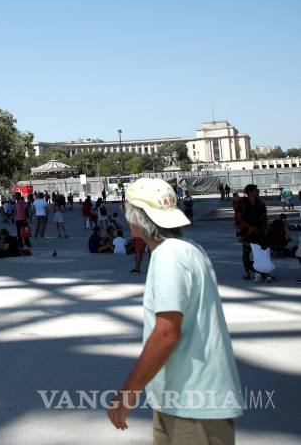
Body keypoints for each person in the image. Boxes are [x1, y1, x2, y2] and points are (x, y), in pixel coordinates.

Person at [107, 178, 242, 442]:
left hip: (196, 403)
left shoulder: (169, 256)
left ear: (137, 217)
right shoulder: (187, 249)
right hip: (181, 398)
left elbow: (167, 333)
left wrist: (128, 393)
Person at [235, 184, 267, 280]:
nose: (258, 192)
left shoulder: (260, 203)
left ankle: (261, 270)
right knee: (246, 251)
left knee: (260, 251)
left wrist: (264, 228)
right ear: (250, 192)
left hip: (258, 231)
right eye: (256, 190)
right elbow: (238, 217)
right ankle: (247, 270)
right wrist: (249, 227)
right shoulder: (242, 203)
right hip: (246, 231)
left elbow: (264, 216)